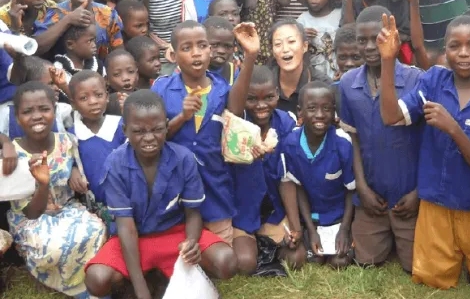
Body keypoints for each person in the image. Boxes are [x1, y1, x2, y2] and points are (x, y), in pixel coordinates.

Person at [379, 15, 470, 294]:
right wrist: (388, 61)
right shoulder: (435, 81)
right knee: (431, 279)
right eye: (455, 46)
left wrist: (453, 128)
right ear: (445, 50)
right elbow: (390, 116)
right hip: (435, 202)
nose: (463, 53)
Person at [84, 90, 237, 298]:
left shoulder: (183, 159)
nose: (149, 138)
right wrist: (141, 291)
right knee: (96, 279)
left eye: (157, 129)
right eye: (139, 131)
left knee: (226, 261)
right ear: (125, 130)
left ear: (166, 126)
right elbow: (126, 228)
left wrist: (191, 241)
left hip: (175, 235)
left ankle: (171, 277)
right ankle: (140, 282)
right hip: (134, 239)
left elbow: (193, 212)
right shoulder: (115, 164)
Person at [151, 20, 259, 247]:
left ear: (210, 50)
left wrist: (250, 56)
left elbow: (235, 111)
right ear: (174, 55)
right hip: (175, 187)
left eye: (202, 45)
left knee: (222, 251)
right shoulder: (162, 88)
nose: (196, 53)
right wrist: (182, 117)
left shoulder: (221, 88)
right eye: (187, 48)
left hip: (215, 187)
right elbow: (153, 138)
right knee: (179, 249)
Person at [338, 7, 422, 271]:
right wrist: (362, 188)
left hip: (408, 195)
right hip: (372, 194)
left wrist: (418, 192)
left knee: (415, 266)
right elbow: (353, 139)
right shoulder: (348, 83)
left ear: (393, 38)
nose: (369, 47)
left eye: (377, 39)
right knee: (366, 260)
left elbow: (430, 141)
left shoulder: (415, 79)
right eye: (361, 40)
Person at [7, 81, 106, 297]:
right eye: (27, 111)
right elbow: (31, 212)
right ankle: (70, 285)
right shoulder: (14, 156)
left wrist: (74, 171)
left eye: (44, 109)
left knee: (96, 230)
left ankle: (92, 281)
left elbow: (71, 164)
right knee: (54, 247)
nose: (37, 116)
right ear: (17, 117)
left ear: (54, 110)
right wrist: (42, 184)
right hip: (32, 218)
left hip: (67, 208)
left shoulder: (66, 142)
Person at [230, 66, 305, 273]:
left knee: (296, 258)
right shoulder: (236, 126)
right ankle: (250, 243)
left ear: (277, 94)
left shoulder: (286, 123)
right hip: (243, 212)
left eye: (269, 97)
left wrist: (295, 227)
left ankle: (270, 242)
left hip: (274, 210)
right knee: (245, 263)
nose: (261, 106)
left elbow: (288, 177)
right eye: (252, 99)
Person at [280, 81, 354, 268]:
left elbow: (351, 191)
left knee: (339, 261)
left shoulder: (342, 143)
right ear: (300, 111)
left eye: (326, 108)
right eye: (312, 108)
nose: (320, 115)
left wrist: (345, 229)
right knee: (313, 258)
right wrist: (311, 230)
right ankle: (310, 237)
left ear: (334, 111)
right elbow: (298, 188)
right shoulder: (291, 143)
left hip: (339, 217)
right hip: (311, 218)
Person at [68, 70, 126, 213]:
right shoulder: (71, 135)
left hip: (124, 200)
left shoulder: (121, 126)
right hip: (92, 206)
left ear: (107, 96)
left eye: (98, 95)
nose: (93, 102)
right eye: (84, 98)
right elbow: (67, 161)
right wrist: (72, 170)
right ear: (73, 104)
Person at [0, 57, 73, 137]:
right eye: (51, 83)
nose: (57, 88)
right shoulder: (6, 113)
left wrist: (65, 87)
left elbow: (80, 111)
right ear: (31, 85)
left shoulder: (60, 109)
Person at [270, 20, 332, 114]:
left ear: (304, 46)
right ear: (272, 51)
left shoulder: (323, 85)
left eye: (291, 41)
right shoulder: (264, 85)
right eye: (278, 44)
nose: (285, 49)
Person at [298, 0, 341, 79]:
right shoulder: (302, 20)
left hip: (337, 75)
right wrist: (301, 36)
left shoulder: (339, 15)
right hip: (313, 78)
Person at [53, 23, 104, 98]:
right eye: (89, 41)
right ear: (70, 44)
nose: (94, 45)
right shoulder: (58, 70)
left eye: (94, 40)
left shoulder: (97, 65)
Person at [205, 16, 239, 85]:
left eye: (227, 46)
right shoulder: (191, 70)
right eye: (215, 45)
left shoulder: (233, 71)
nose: (221, 51)